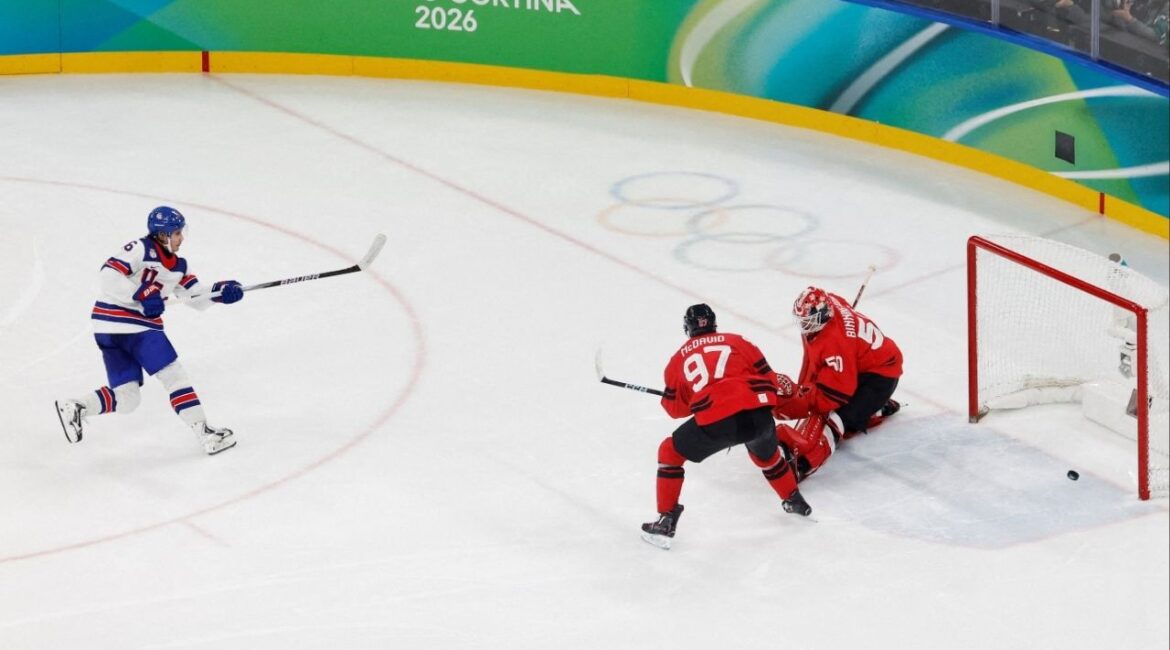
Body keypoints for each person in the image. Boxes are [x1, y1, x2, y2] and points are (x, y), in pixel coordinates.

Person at [54, 206, 245, 455]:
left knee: (128, 398)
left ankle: (77, 406)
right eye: (176, 233)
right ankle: (205, 433)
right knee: (174, 376)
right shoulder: (140, 248)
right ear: (163, 234)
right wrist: (140, 293)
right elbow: (109, 274)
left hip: (108, 329)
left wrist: (221, 292)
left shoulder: (179, 266)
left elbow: (194, 296)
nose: (181, 238)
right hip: (133, 326)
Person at [640, 304, 811, 550]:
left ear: (687, 328)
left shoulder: (679, 359)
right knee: (768, 456)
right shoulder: (738, 341)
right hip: (759, 415)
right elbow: (770, 378)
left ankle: (666, 520)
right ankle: (794, 500)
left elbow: (674, 410)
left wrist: (695, 399)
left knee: (669, 452)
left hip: (719, 420)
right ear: (714, 324)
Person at [772, 286, 903, 482]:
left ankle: (805, 464)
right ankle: (873, 409)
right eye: (802, 321)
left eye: (808, 322)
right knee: (831, 404)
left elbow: (835, 395)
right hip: (864, 365)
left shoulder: (835, 343)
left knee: (835, 418)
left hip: (879, 377)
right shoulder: (830, 302)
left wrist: (803, 403)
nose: (804, 327)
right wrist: (804, 391)